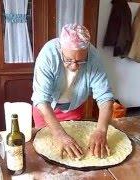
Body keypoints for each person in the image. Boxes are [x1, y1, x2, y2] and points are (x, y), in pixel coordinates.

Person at [31, 24, 114, 160]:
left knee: (75, 153)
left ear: (87, 50)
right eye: (68, 60)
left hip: (73, 108)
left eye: (81, 61)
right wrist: (59, 134)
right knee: (48, 153)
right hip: (46, 111)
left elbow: (105, 97)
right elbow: (41, 100)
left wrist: (101, 130)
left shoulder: (94, 57)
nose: (74, 66)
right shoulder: (48, 54)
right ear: (61, 48)